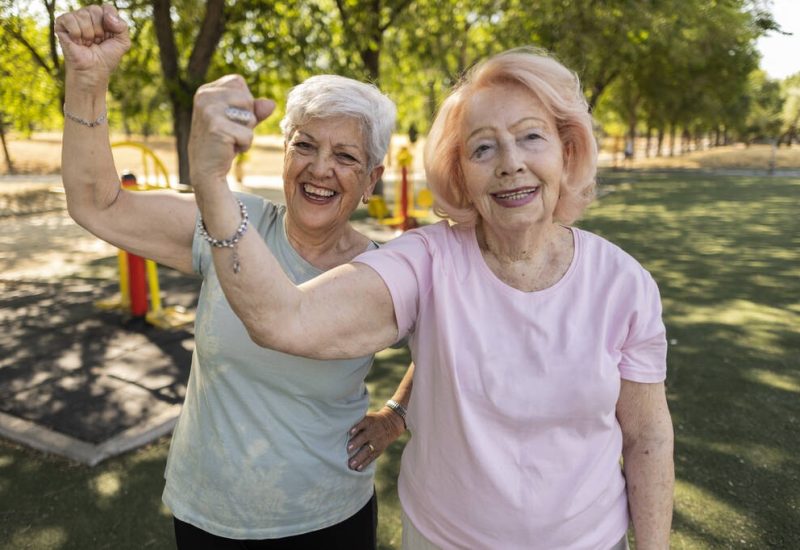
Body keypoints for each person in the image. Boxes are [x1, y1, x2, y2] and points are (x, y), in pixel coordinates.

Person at [192, 45, 675, 549]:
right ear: (460, 171)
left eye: (531, 137)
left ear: (566, 150)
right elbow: (283, 320)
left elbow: (648, 438)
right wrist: (210, 180)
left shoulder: (625, 283)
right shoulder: (425, 261)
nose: (510, 164)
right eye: (483, 148)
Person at [55, 4, 409, 547]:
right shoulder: (229, 222)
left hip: (329, 520)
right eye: (305, 146)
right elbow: (97, 203)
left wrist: (395, 414)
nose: (320, 168)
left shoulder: (386, 270)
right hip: (208, 515)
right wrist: (86, 79)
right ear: (284, 154)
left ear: (372, 180)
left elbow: (457, 348)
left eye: (345, 156)